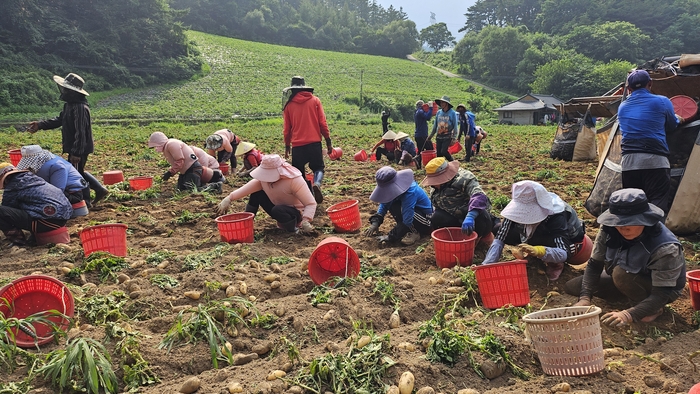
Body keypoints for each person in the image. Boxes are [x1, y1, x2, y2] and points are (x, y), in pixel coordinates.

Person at [564, 189, 686, 326]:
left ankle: (651, 309)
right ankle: (626, 295)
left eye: (630, 223)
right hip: (624, 275)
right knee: (573, 286)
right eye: (619, 223)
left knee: (620, 275)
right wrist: (585, 297)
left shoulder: (665, 248)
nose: (623, 228)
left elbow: (661, 294)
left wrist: (628, 314)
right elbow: (594, 264)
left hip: (660, 289)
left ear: (645, 219)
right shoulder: (609, 229)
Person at [27, 73, 108, 207]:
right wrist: (40, 125)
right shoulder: (69, 106)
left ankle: (85, 202)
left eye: (66, 89)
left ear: (72, 92)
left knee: (77, 174)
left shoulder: (81, 108)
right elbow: (59, 120)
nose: (63, 91)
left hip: (79, 147)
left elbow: (81, 132)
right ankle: (99, 189)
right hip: (74, 146)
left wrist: (76, 152)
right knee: (77, 170)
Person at [482, 180, 586, 281]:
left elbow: (563, 252)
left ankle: (555, 265)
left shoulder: (556, 215)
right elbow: (501, 236)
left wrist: (539, 251)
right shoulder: (519, 204)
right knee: (498, 229)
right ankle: (534, 254)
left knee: (540, 239)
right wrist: (487, 265)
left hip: (567, 241)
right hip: (532, 234)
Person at [617, 69, 681, 215]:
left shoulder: (622, 107)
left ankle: (634, 234)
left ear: (630, 89)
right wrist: (678, 118)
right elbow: (671, 125)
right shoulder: (663, 101)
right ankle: (654, 235)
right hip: (655, 160)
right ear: (650, 84)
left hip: (629, 162)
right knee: (657, 203)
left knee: (633, 204)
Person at [217, 154, 316, 234]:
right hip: (277, 209)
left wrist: (306, 221)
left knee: (278, 210)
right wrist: (229, 198)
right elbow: (246, 189)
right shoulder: (262, 180)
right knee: (257, 193)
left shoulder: (293, 180)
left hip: (296, 214)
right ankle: (247, 223)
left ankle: (293, 230)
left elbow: (310, 203)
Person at [282, 76, 333, 204]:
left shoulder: (289, 106)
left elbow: (287, 129)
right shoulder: (315, 101)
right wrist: (328, 140)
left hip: (298, 146)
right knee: (318, 168)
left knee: (299, 174)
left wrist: (287, 146)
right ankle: (316, 183)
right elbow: (323, 123)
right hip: (314, 143)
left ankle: (308, 195)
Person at [422, 157, 493, 242]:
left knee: (481, 217)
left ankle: (481, 239)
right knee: (437, 217)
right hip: (454, 217)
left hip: (471, 216)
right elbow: (437, 206)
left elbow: (479, 195)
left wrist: (471, 216)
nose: (434, 184)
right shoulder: (435, 188)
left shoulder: (464, 178)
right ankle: (454, 238)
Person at [0, 163, 72, 246]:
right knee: (29, 206)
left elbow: (7, 211)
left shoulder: (13, 186)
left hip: (47, 221)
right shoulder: (33, 179)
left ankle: (19, 242)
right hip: (62, 218)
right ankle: (33, 237)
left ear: (5, 178)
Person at [365, 166, 433, 246]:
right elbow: (384, 203)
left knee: (400, 209)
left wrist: (390, 236)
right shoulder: (393, 192)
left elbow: (408, 218)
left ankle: (415, 232)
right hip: (410, 215)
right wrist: (376, 221)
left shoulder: (410, 192)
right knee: (393, 205)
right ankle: (406, 230)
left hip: (426, 220)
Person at [16, 145, 89, 218]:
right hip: (60, 191)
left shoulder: (56, 166)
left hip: (72, 194)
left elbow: (58, 191)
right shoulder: (45, 161)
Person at [148, 132, 221, 193]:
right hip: (186, 171)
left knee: (191, 190)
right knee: (180, 189)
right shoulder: (168, 145)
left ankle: (214, 187)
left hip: (192, 169)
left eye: (156, 146)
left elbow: (180, 161)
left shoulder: (171, 144)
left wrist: (170, 172)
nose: (156, 148)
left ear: (159, 142)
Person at [427, 96, 458, 161]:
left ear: (447, 103)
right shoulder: (439, 112)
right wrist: (431, 136)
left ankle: (452, 161)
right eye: (441, 102)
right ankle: (441, 167)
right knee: (439, 154)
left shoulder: (452, 113)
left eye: (443, 102)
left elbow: (455, 126)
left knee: (444, 151)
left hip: (447, 136)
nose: (441, 104)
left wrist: (454, 138)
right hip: (439, 136)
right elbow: (435, 126)